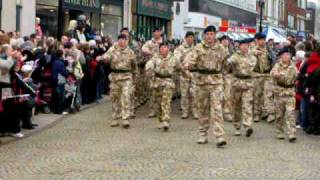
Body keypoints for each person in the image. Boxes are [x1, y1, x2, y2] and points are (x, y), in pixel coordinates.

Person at [184, 26, 228, 148]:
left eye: (212, 34)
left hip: (216, 82)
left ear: (215, 35)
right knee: (202, 109)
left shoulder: (221, 49)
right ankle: (203, 133)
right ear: (204, 36)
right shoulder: (198, 48)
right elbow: (190, 60)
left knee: (217, 109)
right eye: (207, 34)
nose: (209, 36)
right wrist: (187, 64)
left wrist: (222, 76)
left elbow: (225, 65)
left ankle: (219, 136)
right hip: (202, 82)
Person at [102, 34, 137, 129]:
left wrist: (134, 78)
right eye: (120, 39)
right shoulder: (112, 50)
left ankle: (125, 118)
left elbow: (134, 66)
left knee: (126, 96)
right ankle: (115, 118)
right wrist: (103, 59)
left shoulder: (130, 52)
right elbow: (106, 57)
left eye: (124, 40)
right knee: (114, 98)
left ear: (127, 41)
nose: (122, 41)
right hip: (115, 77)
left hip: (126, 77)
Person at [227, 39, 256, 137]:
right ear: (239, 46)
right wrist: (230, 62)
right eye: (242, 45)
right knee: (236, 107)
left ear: (248, 46)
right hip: (237, 84)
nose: (244, 47)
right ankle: (237, 126)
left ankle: (248, 126)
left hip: (248, 84)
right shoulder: (235, 56)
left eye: (246, 45)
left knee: (247, 105)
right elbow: (228, 63)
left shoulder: (252, 57)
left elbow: (250, 68)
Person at [146, 42, 177, 131]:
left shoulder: (173, 58)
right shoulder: (155, 58)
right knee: (158, 103)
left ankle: (166, 121)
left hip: (168, 82)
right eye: (162, 47)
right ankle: (161, 119)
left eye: (165, 47)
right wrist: (148, 69)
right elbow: (149, 63)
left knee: (166, 101)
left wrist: (186, 72)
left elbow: (179, 67)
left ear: (168, 48)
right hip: (157, 82)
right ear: (159, 49)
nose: (164, 49)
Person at [270, 47, 298, 142]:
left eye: (288, 55)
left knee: (290, 113)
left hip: (290, 92)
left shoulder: (293, 66)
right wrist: (277, 75)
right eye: (284, 55)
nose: (286, 57)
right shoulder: (277, 65)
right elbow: (272, 73)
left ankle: (291, 133)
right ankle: (279, 131)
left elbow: (297, 75)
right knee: (279, 114)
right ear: (281, 57)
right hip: (280, 93)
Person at [174, 31, 198, 119]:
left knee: (194, 93)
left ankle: (195, 111)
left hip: (194, 73)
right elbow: (176, 60)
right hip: (184, 73)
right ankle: (185, 112)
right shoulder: (180, 48)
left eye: (192, 37)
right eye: (189, 37)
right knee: (184, 93)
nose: (191, 39)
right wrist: (183, 69)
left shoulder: (196, 48)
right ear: (186, 38)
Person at [251, 33, 274, 123]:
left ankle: (270, 114)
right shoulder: (253, 50)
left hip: (268, 75)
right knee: (257, 94)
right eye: (261, 40)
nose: (263, 41)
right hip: (257, 75)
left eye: (264, 40)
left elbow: (274, 60)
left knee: (268, 94)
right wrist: (254, 53)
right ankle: (257, 114)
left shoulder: (269, 50)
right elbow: (248, 55)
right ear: (257, 40)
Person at [142, 27, 163, 118]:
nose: (157, 33)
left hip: (162, 70)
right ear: (153, 33)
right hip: (152, 70)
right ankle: (152, 110)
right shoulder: (149, 43)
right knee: (152, 91)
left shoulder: (164, 42)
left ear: (160, 33)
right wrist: (151, 52)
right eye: (155, 31)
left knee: (161, 91)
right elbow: (143, 49)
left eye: (158, 31)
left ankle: (161, 109)